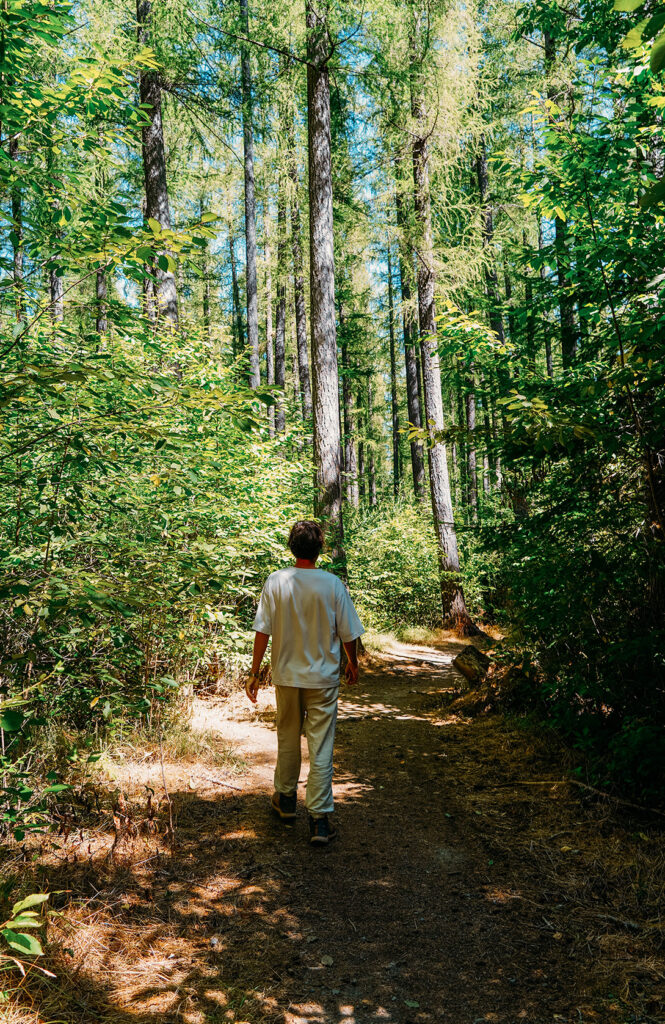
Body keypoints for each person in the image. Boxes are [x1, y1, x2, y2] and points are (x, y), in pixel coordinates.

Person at [245, 520, 365, 845]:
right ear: (320, 548)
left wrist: (255, 672)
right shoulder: (332, 584)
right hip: (323, 678)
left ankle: (285, 801)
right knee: (321, 745)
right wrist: (351, 663)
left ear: (291, 546)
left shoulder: (276, 581)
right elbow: (348, 632)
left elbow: (262, 630)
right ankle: (319, 821)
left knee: (287, 736)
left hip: (286, 676)